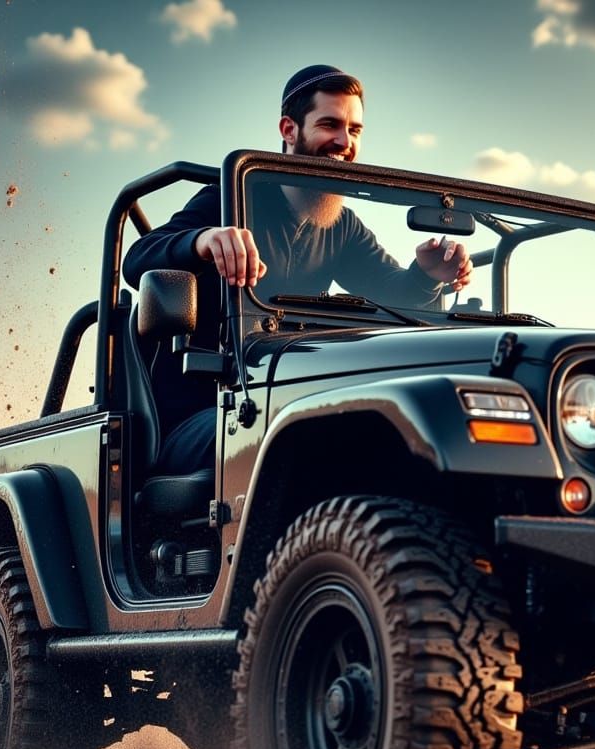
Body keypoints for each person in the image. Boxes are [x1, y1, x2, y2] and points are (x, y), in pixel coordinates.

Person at [122, 65, 473, 474]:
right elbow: (138, 258)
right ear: (289, 129)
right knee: (316, 429)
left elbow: (391, 294)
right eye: (330, 124)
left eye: (355, 130)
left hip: (290, 395)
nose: (344, 142)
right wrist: (203, 241)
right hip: (205, 411)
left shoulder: (340, 225)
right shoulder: (231, 198)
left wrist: (427, 273)